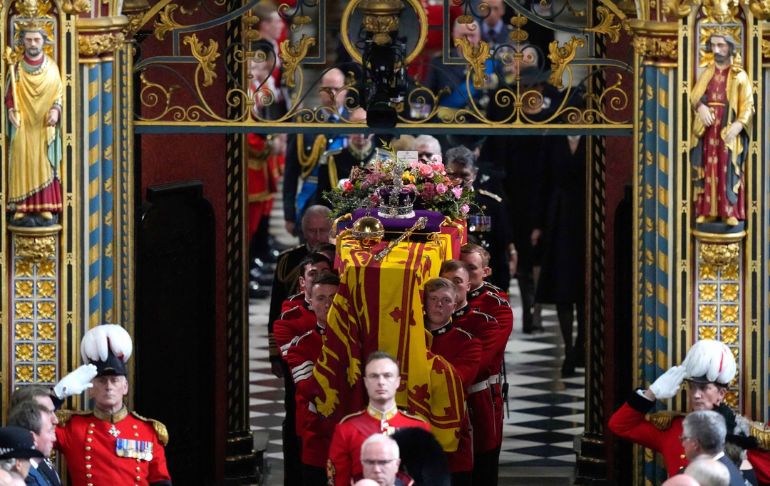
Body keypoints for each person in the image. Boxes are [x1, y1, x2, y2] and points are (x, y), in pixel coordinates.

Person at [609, 339, 768, 479]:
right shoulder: (674, 429)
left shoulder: (742, 435)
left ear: (721, 394)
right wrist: (651, 393)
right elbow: (620, 426)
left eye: (704, 388)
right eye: (692, 387)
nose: (696, 395)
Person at [54, 325, 172, 486]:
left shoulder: (148, 431)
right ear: (90, 390)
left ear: (125, 387)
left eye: (115, 380)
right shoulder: (72, 428)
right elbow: (28, 433)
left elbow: (160, 480)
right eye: (102, 381)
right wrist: (57, 394)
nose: (108, 386)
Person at [327, 352, 431, 486]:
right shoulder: (347, 429)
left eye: (387, 376)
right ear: (365, 382)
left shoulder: (419, 428)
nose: (381, 382)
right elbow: (339, 482)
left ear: (398, 382)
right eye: (374, 376)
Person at [439, 259, 501, 483]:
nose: (452, 287)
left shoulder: (482, 322)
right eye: (446, 282)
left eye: (457, 282)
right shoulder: (427, 324)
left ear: (467, 286)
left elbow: (477, 367)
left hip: (474, 400)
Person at [532, 135, 587, 375]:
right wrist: (538, 225)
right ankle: (568, 350)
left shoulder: (594, 139)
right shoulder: (552, 141)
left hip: (586, 218)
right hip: (559, 220)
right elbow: (541, 182)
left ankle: (581, 347)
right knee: (563, 290)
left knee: (585, 294)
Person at [690, 33, 753, 228]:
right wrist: (700, 107)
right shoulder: (707, 72)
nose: (716, 50)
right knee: (708, 166)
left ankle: (730, 211)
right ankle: (707, 210)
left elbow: (748, 105)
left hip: (727, 126)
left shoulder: (739, 75)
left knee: (727, 168)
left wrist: (739, 124)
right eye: (713, 46)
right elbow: (694, 96)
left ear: (731, 48)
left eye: (721, 45)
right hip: (708, 128)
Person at [422, 277, 480, 485]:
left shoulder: (468, 342)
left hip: (452, 435)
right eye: (433, 299)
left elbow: (457, 379)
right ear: (424, 303)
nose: (439, 304)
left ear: (454, 306)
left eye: (446, 300)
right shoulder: (409, 339)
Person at [284, 273, 340, 485]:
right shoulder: (301, 346)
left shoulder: (356, 344)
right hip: (315, 436)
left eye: (333, 298)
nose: (328, 304)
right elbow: (310, 388)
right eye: (321, 298)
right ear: (311, 302)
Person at [6, 21, 63, 225]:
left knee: (43, 162)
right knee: (21, 159)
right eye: (29, 39)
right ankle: (21, 206)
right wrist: (11, 110)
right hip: (23, 124)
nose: (32, 43)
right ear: (23, 42)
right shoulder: (17, 69)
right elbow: (9, 94)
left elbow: (58, 94)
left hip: (43, 125)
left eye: (36, 39)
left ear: (43, 41)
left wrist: (56, 111)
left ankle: (45, 206)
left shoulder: (52, 68)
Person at [283, 68, 348, 236]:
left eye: (337, 89)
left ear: (346, 90)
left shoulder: (356, 122)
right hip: (311, 201)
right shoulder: (305, 123)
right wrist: (289, 215)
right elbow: (291, 172)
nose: (333, 94)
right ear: (320, 90)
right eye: (328, 89)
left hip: (345, 203)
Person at [445, 142, 515, 291]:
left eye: (464, 175)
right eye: (452, 174)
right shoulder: (434, 202)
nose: (458, 180)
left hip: (481, 279)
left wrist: (501, 287)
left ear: (475, 174)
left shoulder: (491, 204)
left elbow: (501, 247)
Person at [312, 108, 375, 208]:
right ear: (348, 130)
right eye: (356, 128)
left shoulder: (384, 159)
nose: (361, 134)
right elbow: (322, 200)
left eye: (365, 129)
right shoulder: (331, 160)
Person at [680, 411, 746, 486]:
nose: (683, 444)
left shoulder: (705, 477)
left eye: (684, 438)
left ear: (695, 444)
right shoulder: (727, 466)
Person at [6, 403, 59, 486]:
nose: (54, 438)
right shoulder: (23, 480)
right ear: (32, 437)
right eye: (50, 432)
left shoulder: (35, 469)